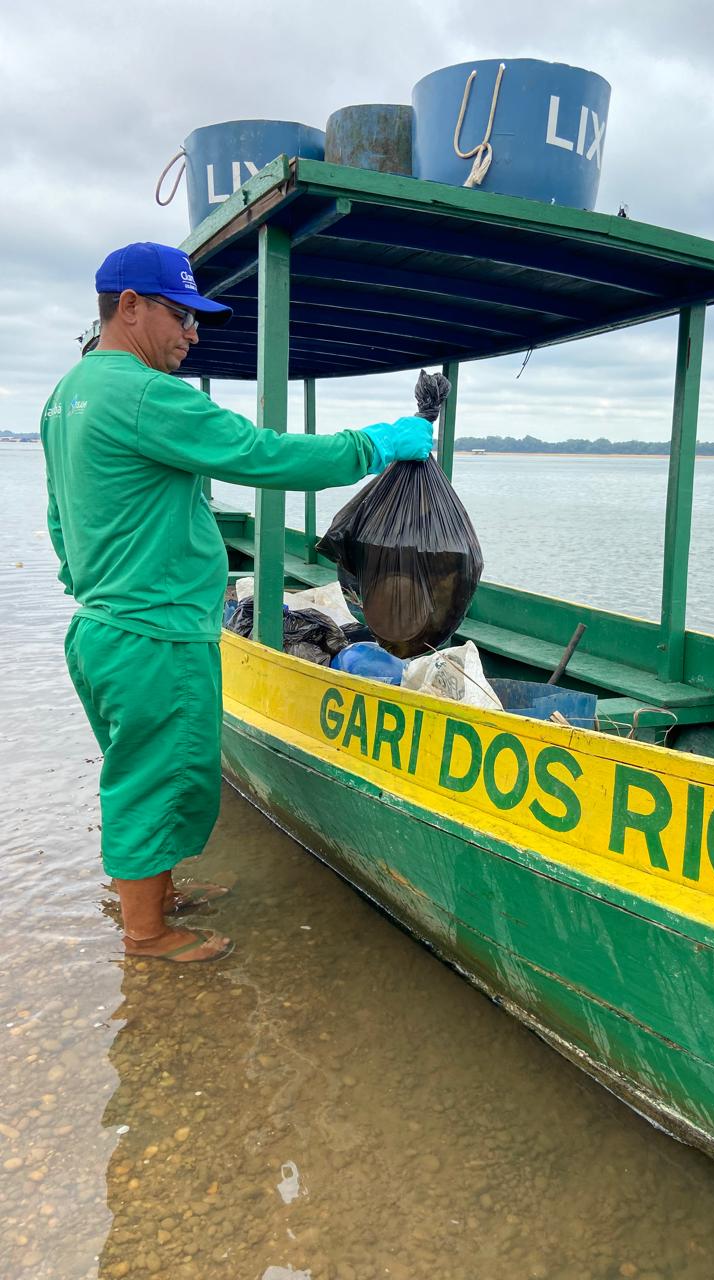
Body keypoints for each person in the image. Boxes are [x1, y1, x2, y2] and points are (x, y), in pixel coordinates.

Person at [41, 241, 432, 965]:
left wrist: (92, 581)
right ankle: (147, 934)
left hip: (100, 630)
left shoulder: (66, 395)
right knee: (158, 781)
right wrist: (373, 447)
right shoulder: (146, 395)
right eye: (182, 314)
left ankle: (155, 896)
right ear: (129, 308)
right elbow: (261, 455)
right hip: (154, 636)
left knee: (144, 772)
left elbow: (60, 519)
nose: (193, 332)